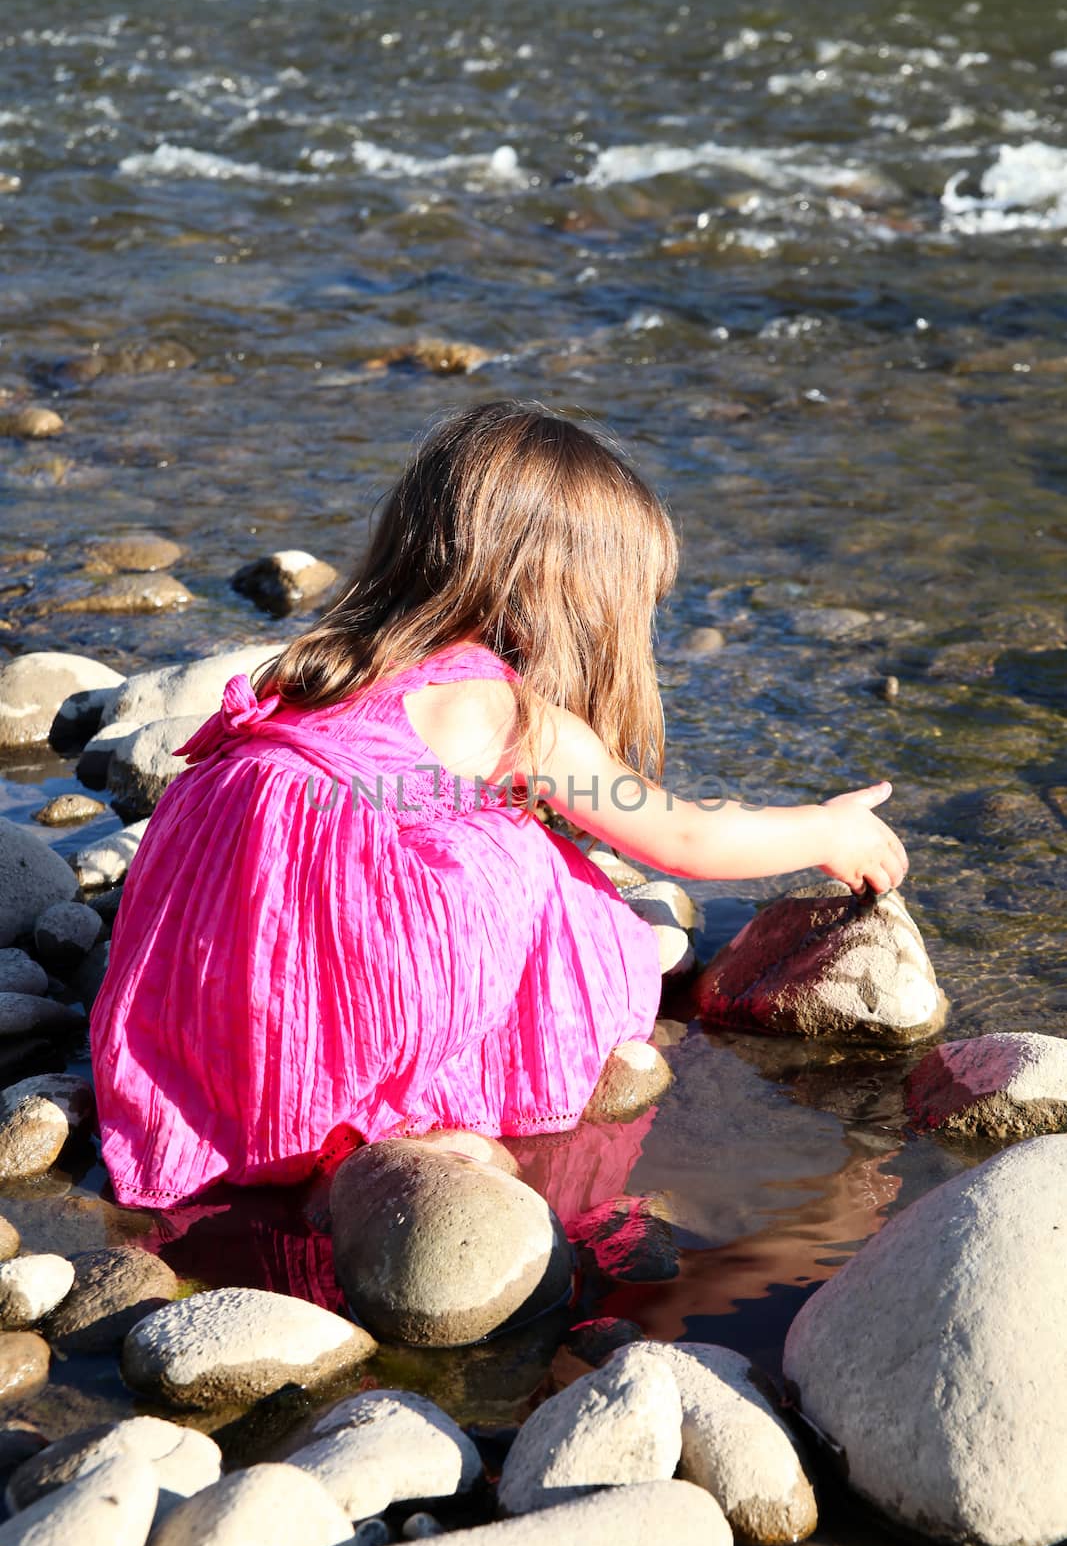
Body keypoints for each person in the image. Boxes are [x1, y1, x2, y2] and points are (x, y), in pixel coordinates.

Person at [89, 400, 907, 1210]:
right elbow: (683, 838)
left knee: (451, 825)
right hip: (352, 989)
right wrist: (827, 829)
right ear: (578, 599)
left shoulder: (315, 666)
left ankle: (273, 1099)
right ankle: (395, 1125)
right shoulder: (510, 719)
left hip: (212, 982)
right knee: (529, 858)